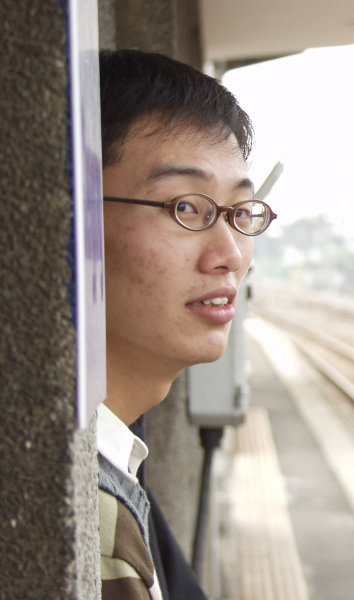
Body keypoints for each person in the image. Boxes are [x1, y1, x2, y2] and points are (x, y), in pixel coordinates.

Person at [96, 49, 276, 599]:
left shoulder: (113, 455)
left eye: (241, 213)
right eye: (185, 207)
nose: (230, 254)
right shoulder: (88, 524)